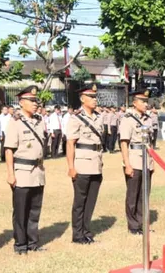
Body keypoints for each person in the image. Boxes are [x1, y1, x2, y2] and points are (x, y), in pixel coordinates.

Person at [4, 85, 46, 255]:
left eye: (36, 100)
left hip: (38, 171)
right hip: (22, 170)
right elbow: (8, 150)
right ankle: (21, 244)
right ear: (21, 102)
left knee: (35, 209)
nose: (35, 103)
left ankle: (33, 242)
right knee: (21, 211)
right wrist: (10, 174)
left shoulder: (39, 120)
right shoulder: (15, 122)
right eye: (31, 100)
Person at [66, 84, 103, 244]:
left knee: (91, 200)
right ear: (82, 99)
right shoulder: (76, 118)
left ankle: (87, 231)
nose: (95, 100)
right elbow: (70, 144)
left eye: (95, 97)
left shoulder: (99, 117)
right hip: (82, 163)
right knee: (80, 201)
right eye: (91, 97)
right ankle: (77, 234)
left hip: (96, 163)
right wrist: (71, 167)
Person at [119, 90, 154, 235]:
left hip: (147, 159)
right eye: (142, 101)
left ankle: (142, 224)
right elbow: (124, 143)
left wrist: (152, 162)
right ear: (134, 103)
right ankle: (133, 226)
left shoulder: (148, 119)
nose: (146, 104)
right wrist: (127, 163)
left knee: (144, 195)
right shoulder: (127, 119)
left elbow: (150, 143)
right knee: (133, 195)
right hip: (134, 158)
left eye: (146, 101)